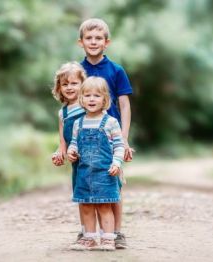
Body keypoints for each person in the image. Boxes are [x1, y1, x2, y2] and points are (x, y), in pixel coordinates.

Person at [78, 18, 133, 249]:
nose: (93, 42)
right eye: (88, 38)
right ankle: (87, 233)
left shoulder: (116, 70)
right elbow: (70, 104)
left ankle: (116, 232)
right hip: (83, 136)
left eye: (98, 38)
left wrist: (124, 138)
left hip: (110, 138)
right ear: (81, 42)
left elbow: (125, 106)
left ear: (106, 42)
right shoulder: (77, 71)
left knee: (112, 184)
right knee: (83, 184)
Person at [67, 77, 125, 251]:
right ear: (81, 99)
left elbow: (119, 145)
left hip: (105, 172)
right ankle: (89, 238)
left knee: (104, 205)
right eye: (87, 95)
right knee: (85, 205)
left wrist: (117, 162)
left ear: (105, 99)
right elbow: (75, 143)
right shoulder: (79, 122)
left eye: (97, 96)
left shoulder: (111, 122)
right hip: (84, 173)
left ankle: (108, 238)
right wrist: (71, 151)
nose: (92, 99)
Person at [51, 61, 87, 240]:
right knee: (81, 196)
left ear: (83, 84)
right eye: (65, 84)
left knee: (100, 196)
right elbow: (62, 140)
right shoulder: (62, 113)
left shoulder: (88, 105)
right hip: (77, 163)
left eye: (74, 83)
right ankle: (85, 231)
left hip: (94, 159)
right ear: (59, 87)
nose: (70, 87)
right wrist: (60, 153)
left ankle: (105, 232)